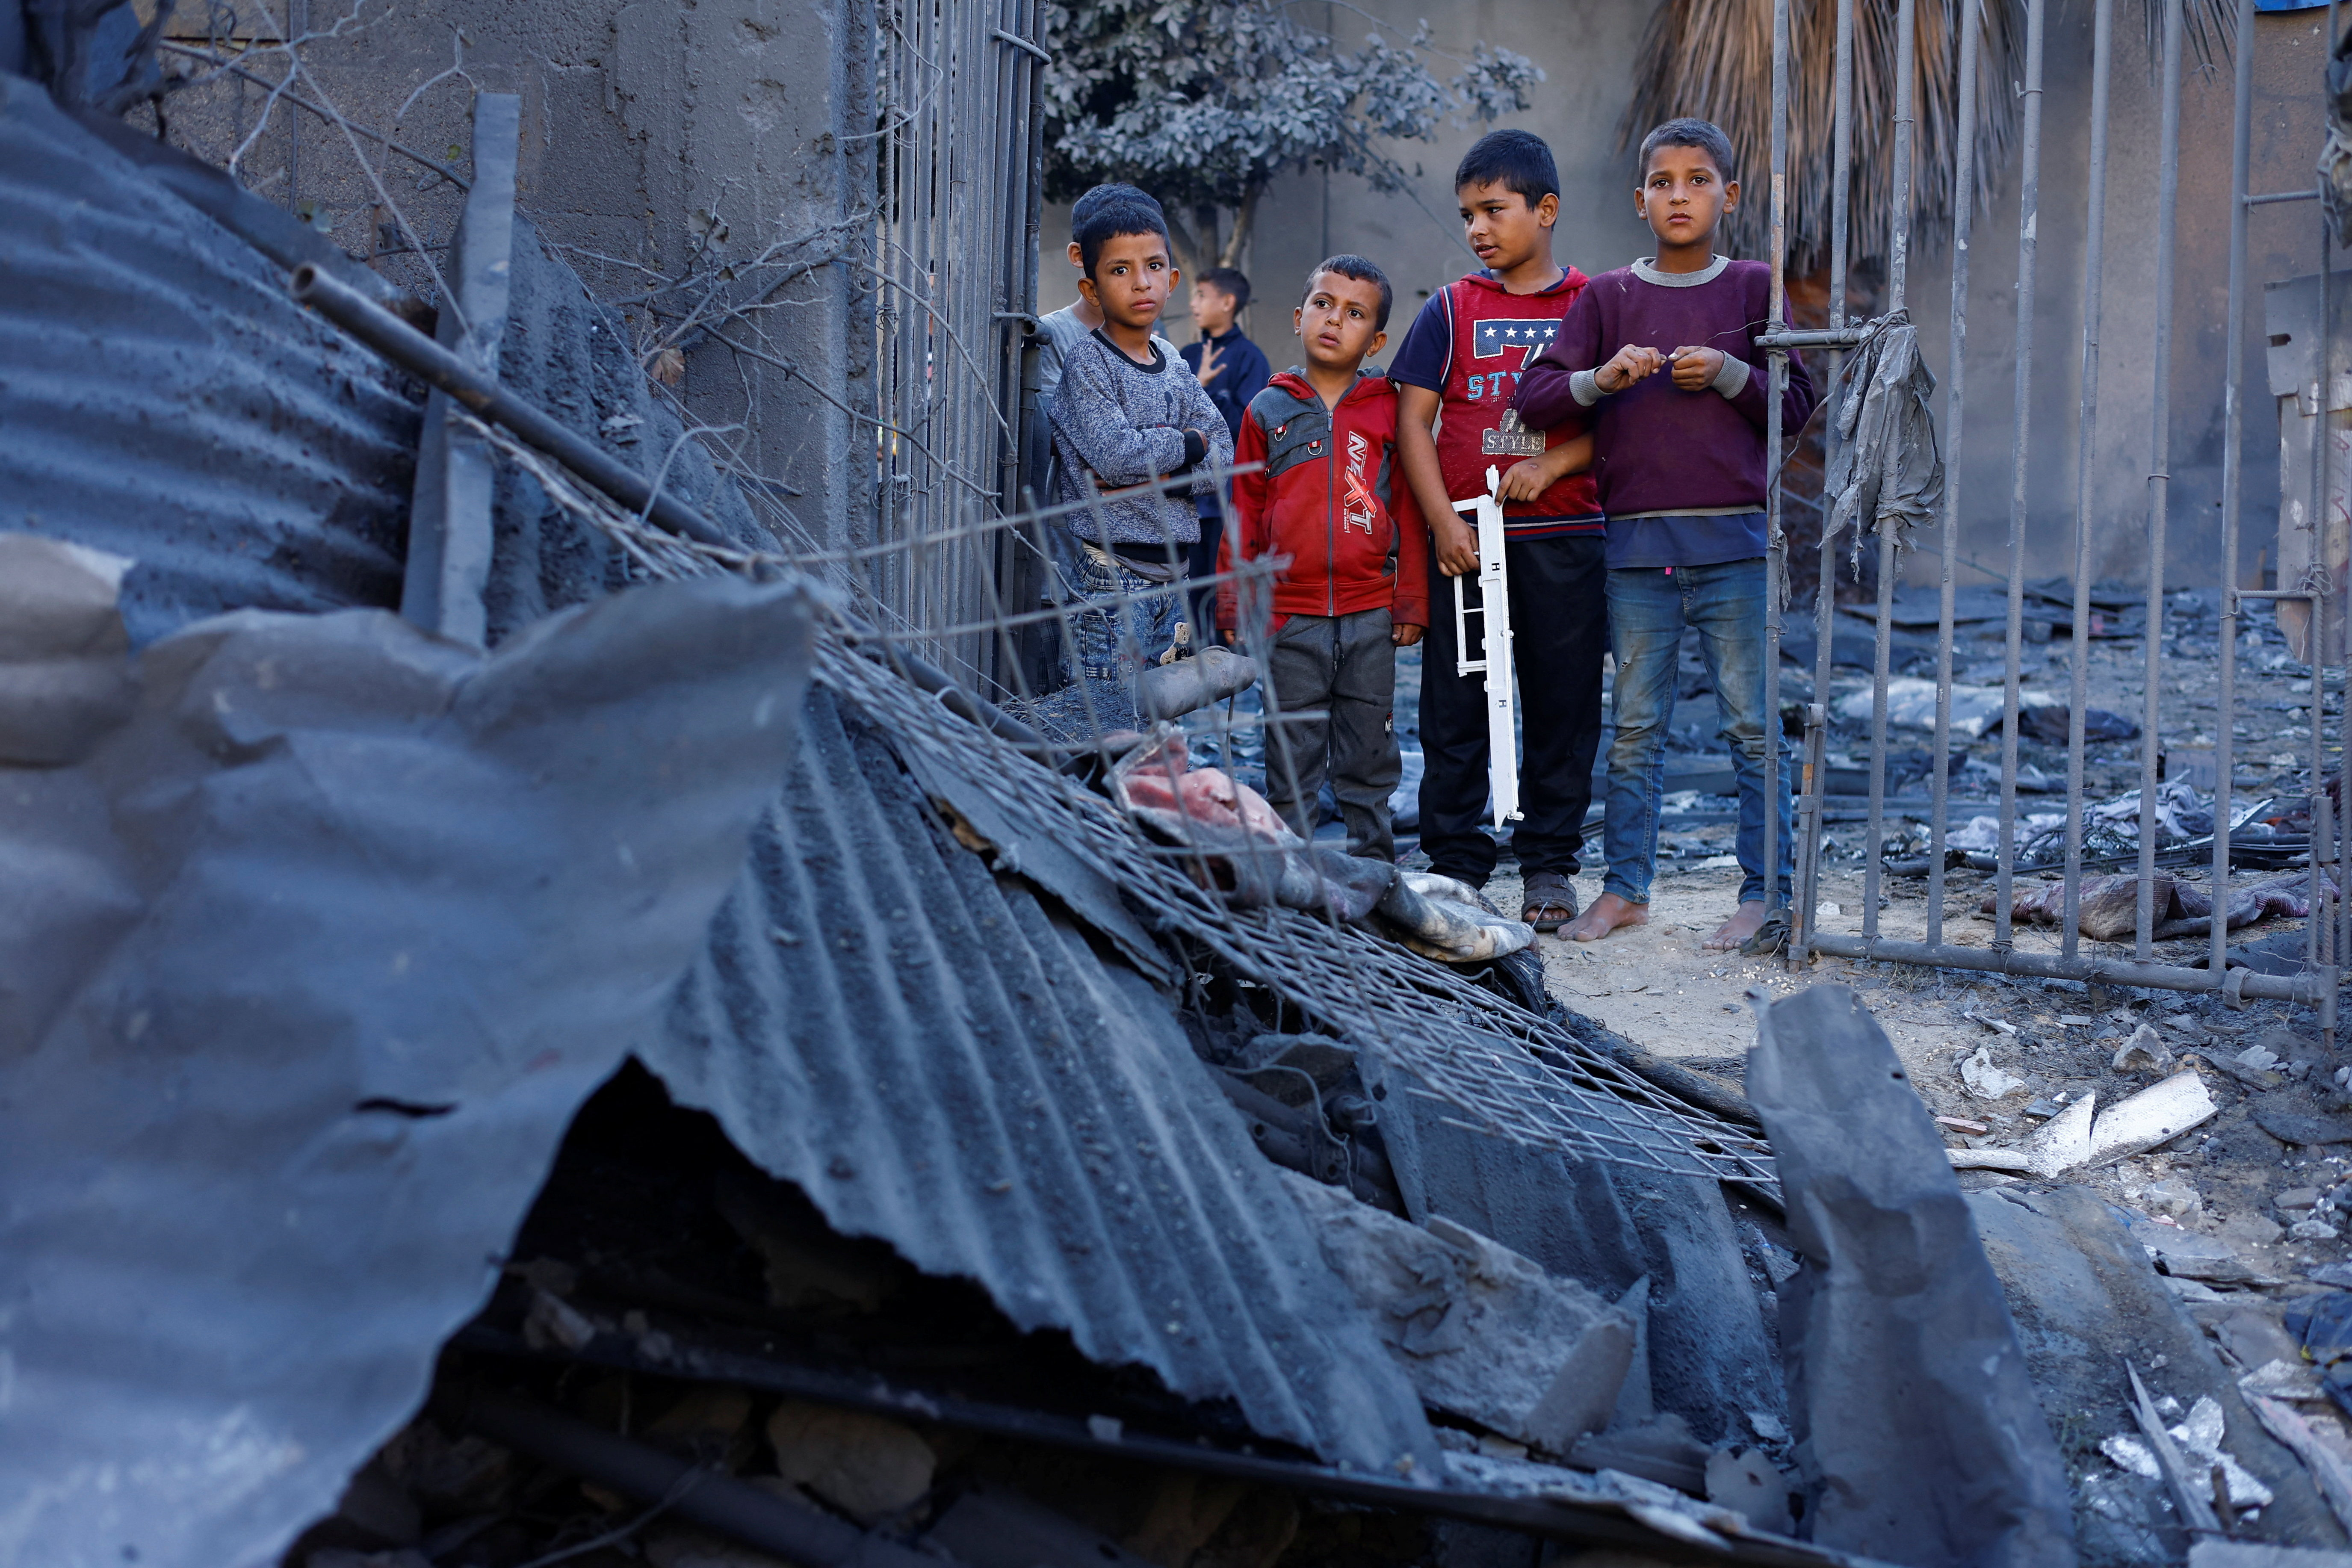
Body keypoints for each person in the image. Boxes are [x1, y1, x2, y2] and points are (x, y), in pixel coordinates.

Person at [1515, 116, 1818, 952]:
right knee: (1638, 727)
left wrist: (1729, 374)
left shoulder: (1755, 286)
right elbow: (1532, 399)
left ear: (1728, 194)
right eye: (1662, 182)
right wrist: (1597, 377)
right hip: (1637, 552)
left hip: (1734, 547)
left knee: (1751, 728)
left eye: (1695, 180)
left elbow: (1796, 408)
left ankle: (1764, 894)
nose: (1678, 195)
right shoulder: (1606, 297)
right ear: (1638, 197)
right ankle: (1624, 892)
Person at [1388, 128, 1604, 933]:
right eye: (1467, 214)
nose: (1477, 228)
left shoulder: (1594, 304)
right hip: (1468, 541)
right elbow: (1413, 420)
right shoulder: (1450, 307)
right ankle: (1453, 864)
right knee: (1456, 704)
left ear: (1545, 210)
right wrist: (1442, 520)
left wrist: (1548, 467)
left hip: (1563, 535)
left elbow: (1617, 422)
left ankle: (1549, 864)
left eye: (1494, 209)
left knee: (1563, 701)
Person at [1213, 256, 1428, 860]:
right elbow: (1244, 512)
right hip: (1288, 618)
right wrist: (1234, 600)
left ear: (1376, 339)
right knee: (1291, 753)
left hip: (1369, 615)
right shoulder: (1266, 410)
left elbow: (1409, 511)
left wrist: (1411, 598)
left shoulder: (1389, 411)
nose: (1335, 320)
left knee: (1369, 752)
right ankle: (1294, 881)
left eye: (1355, 313)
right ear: (1299, 316)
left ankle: (1375, 875)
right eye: (1324, 305)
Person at [1046, 198, 1232, 725]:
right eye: (1120, 271)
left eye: (1153, 267)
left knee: (1160, 711)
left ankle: (1147, 805)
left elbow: (1223, 453)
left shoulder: (1173, 361)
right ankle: (1096, 809)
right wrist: (1187, 446)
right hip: (1112, 575)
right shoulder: (1088, 362)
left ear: (1173, 278)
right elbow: (1119, 456)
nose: (1141, 283)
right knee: (1104, 717)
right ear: (1091, 288)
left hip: (1172, 573)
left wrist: (1164, 470)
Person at [1179, 266, 1271, 634]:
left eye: (1201, 294)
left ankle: (1221, 672)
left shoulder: (1251, 358)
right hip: (1182, 500)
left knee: (1219, 594)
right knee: (1184, 597)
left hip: (1224, 501)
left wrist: (1212, 396)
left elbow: (1247, 429)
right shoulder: (1184, 354)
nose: (1193, 303)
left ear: (1228, 302)